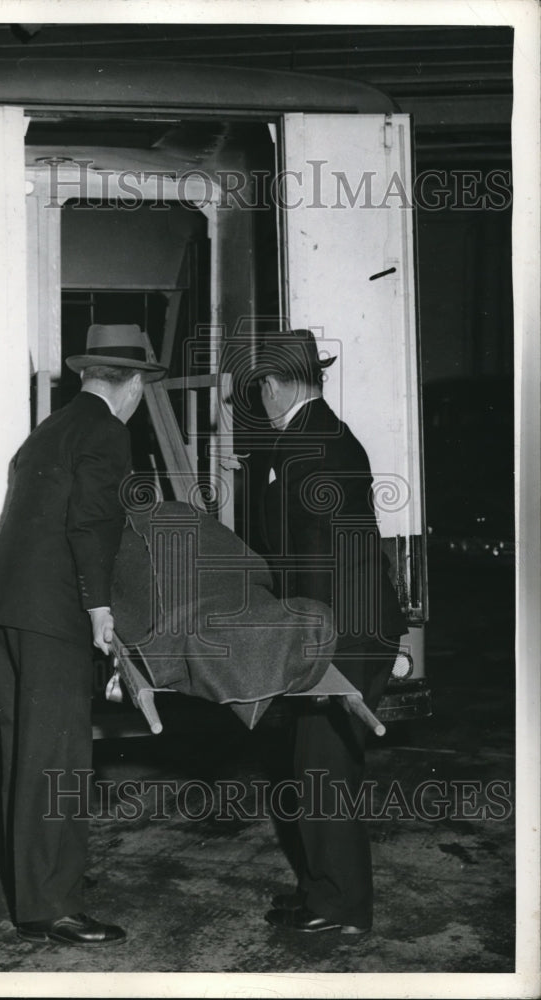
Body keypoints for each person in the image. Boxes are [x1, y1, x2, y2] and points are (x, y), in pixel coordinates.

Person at [0, 323, 166, 945]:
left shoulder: (46, 432)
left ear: (88, 376)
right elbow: (91, 523)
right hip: (53, 614)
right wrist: (100, 609)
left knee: (26, 758)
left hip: (2, 610)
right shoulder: (107, 432)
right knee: (58, 760)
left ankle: (36, 900)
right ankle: (54, 906)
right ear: (134, 384)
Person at [249, 329, 408, 937]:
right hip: (345, 622)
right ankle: (322, 889)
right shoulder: (316, 433)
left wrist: (315, 649)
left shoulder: (307, 445)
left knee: (325, 768)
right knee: (314, 763)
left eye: (258, 387)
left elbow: (316, 556)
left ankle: (341, 907)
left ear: (272, 385)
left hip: (341, 630)